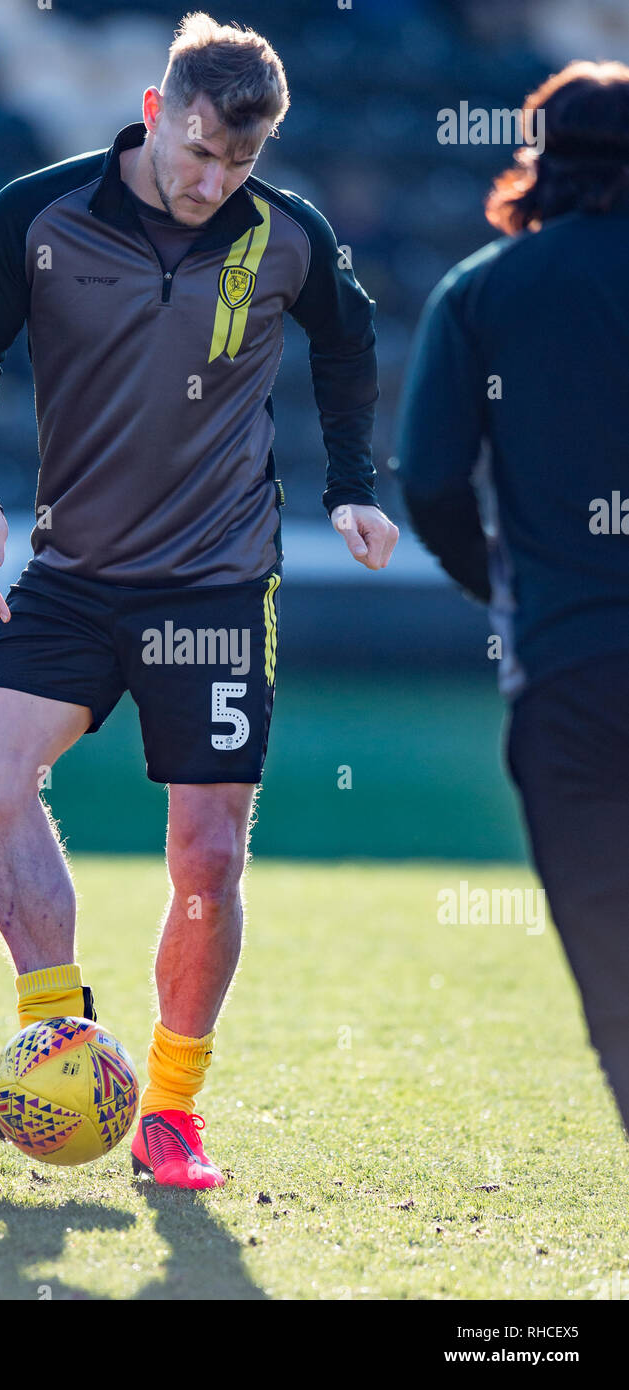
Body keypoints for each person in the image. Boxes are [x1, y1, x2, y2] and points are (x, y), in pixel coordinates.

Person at [0, 11, 398, 1188]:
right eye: (196, 151)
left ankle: (171, 1111)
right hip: (75, 575)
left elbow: (348, 341)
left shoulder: (288, 236)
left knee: (206, 857)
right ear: (154, 112)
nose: (211, 180)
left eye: (239, 161)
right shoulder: (35, 215)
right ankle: (57, 1046)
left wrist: (350, 484)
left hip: (217, 586)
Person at [396, 61, 629, 1133]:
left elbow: (432, 480)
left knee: (614, 980)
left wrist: (507, 586)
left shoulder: (482, 291)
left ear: (536, 162)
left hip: (570, 672)